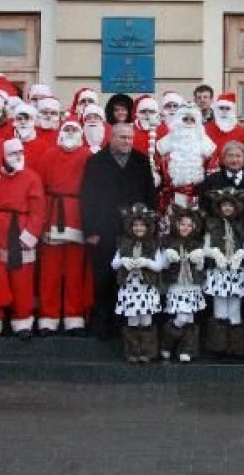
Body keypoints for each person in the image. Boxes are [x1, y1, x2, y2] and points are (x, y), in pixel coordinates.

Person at [81, 123, 157, 339]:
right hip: (104, 228)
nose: (127, 141)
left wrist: (150, 226)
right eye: (123, 137)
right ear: (111, 137)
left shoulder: (141, 161)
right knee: (103, 278)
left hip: (134, 230)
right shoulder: (96, 162)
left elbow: (150, 194)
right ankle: (102, 324)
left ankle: (124, 324)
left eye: (130, 138)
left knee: (129, 278)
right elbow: (88, 197)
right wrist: (90, 230)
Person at [0, 138, 45, 340]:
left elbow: (38, 211)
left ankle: (23, 322)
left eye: (20, 152)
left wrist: (29, 235)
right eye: (13, 153)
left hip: (20, 234)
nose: (18, 156)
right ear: (2, 156)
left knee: (22, 280)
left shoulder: (32, 178)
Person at [37, 114, 93, 336]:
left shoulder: (88, 156)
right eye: (66, 130)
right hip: (52, 214)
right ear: (60, 133)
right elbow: (39, 189)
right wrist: (42, 220)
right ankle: (48, 317)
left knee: (74, 271)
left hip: (77, 216)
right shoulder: (48, 155)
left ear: (80, 134)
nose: (70, 134)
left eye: (74, 130)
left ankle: (73, 315)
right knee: (49, 271)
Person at [111, 203, 165, 364]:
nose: (139, 228)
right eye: (135, 225)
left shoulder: (154, 244)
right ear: (130, 226)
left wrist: (146, 262)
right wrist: (123, 260)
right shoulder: (123, 243)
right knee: (133, 320)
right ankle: (133, 352)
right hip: (130, 289)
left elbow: (159, 265)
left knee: (146, 320)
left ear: (148, 227)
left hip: (146, 289)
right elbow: (113, 264)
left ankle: (147, 352)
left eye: (142, 225)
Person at [202, 188, 244, 360]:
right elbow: (205, 247)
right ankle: (219, 346)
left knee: (235, 308)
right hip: (219, 272)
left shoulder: (243, 224)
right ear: (219, 207)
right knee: (220, 307)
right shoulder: (212, 223)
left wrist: (242, 253)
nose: (227, 208)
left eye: (231, 205)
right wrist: (215, 253)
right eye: (224, 205)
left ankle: (236, 347)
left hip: (237, 271)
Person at [160, 206, 207, 362]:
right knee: (182, 317)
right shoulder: (168, 242)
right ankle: (167, 343)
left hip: (192, 286)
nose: (185, 228)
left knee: (190, 319)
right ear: (176, 224)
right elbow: (163, 266)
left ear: (194, 227)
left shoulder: (197, 243)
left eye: (189, 225)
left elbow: (200, 268)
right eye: (182, 224)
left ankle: (186, 350)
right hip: (177, 286)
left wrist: (199, 259)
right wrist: (168, 256)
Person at [156, 103, 217, 213]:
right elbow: (158, 173)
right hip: (171, 198)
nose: (189, 123)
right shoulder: (163, 145)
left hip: (198, 198)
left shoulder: (208, 146)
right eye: (185, 119)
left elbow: (212, 175)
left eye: (192, 119)